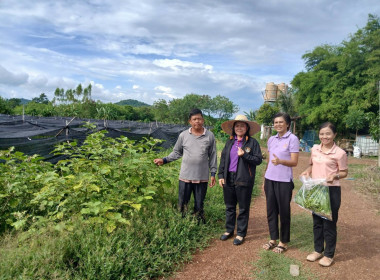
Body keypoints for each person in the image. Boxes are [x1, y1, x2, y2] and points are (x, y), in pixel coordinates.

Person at [154, 108, 217, 223]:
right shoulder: (183, 135)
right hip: (185, 176)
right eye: (194, 119)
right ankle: (182, 222)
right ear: (190, 121)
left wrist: (213, 173)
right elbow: (177, 152)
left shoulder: (209, 136)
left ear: (203, 120)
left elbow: (213, 155)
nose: (197, 121)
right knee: (183, 202)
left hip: (201, 177)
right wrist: (164, 160)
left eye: (199, 119)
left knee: (199, 202)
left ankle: (199, 221)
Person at [301, 122, 348, 267]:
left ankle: (329, 254)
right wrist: (307, 171)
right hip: (316, 189)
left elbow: (344, 172)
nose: (324, 136)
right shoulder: (315, 149)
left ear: (334, 135)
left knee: (329, 223)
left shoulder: (340, 153)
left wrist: (335, 176)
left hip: (331, 190)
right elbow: (312, 165)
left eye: (328, 134)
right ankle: (317, 250)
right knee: (317, 222)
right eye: (322, 134)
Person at [218, 115, 262, 245]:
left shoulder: (252, 143)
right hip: (228, 177)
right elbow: (223, 160)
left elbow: (258, 160)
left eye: (242, 125)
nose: (239, 128)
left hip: (244, 179)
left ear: (247, 127)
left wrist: (245, 155)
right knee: (229, 206)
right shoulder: (229, 142)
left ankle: (241, 233)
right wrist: (221, 176)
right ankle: (229, 230)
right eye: (237, 125)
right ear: (233, 128)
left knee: (243, 208)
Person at [262, 112, 299, 253]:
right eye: (276, 122)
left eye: (281, 122)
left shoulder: (293, 139)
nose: (278, 124)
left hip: (284, 181)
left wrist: (281, 161)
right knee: (271, 210)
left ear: (287, 124)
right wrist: (265, 177)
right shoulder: (271, 139)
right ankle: (273, 238)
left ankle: (283, 241)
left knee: (284, 211)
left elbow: (294, 162)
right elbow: (269, 160)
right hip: (269, 179)